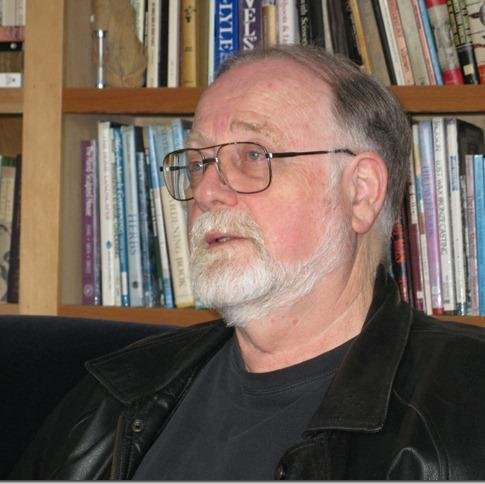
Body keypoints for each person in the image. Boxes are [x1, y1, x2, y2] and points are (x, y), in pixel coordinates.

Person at [11, 45, 485, 480]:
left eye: (254, 155)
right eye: (197, 162)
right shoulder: (116, 392)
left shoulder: (465, 406)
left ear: (360, 192)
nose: (206, 191)